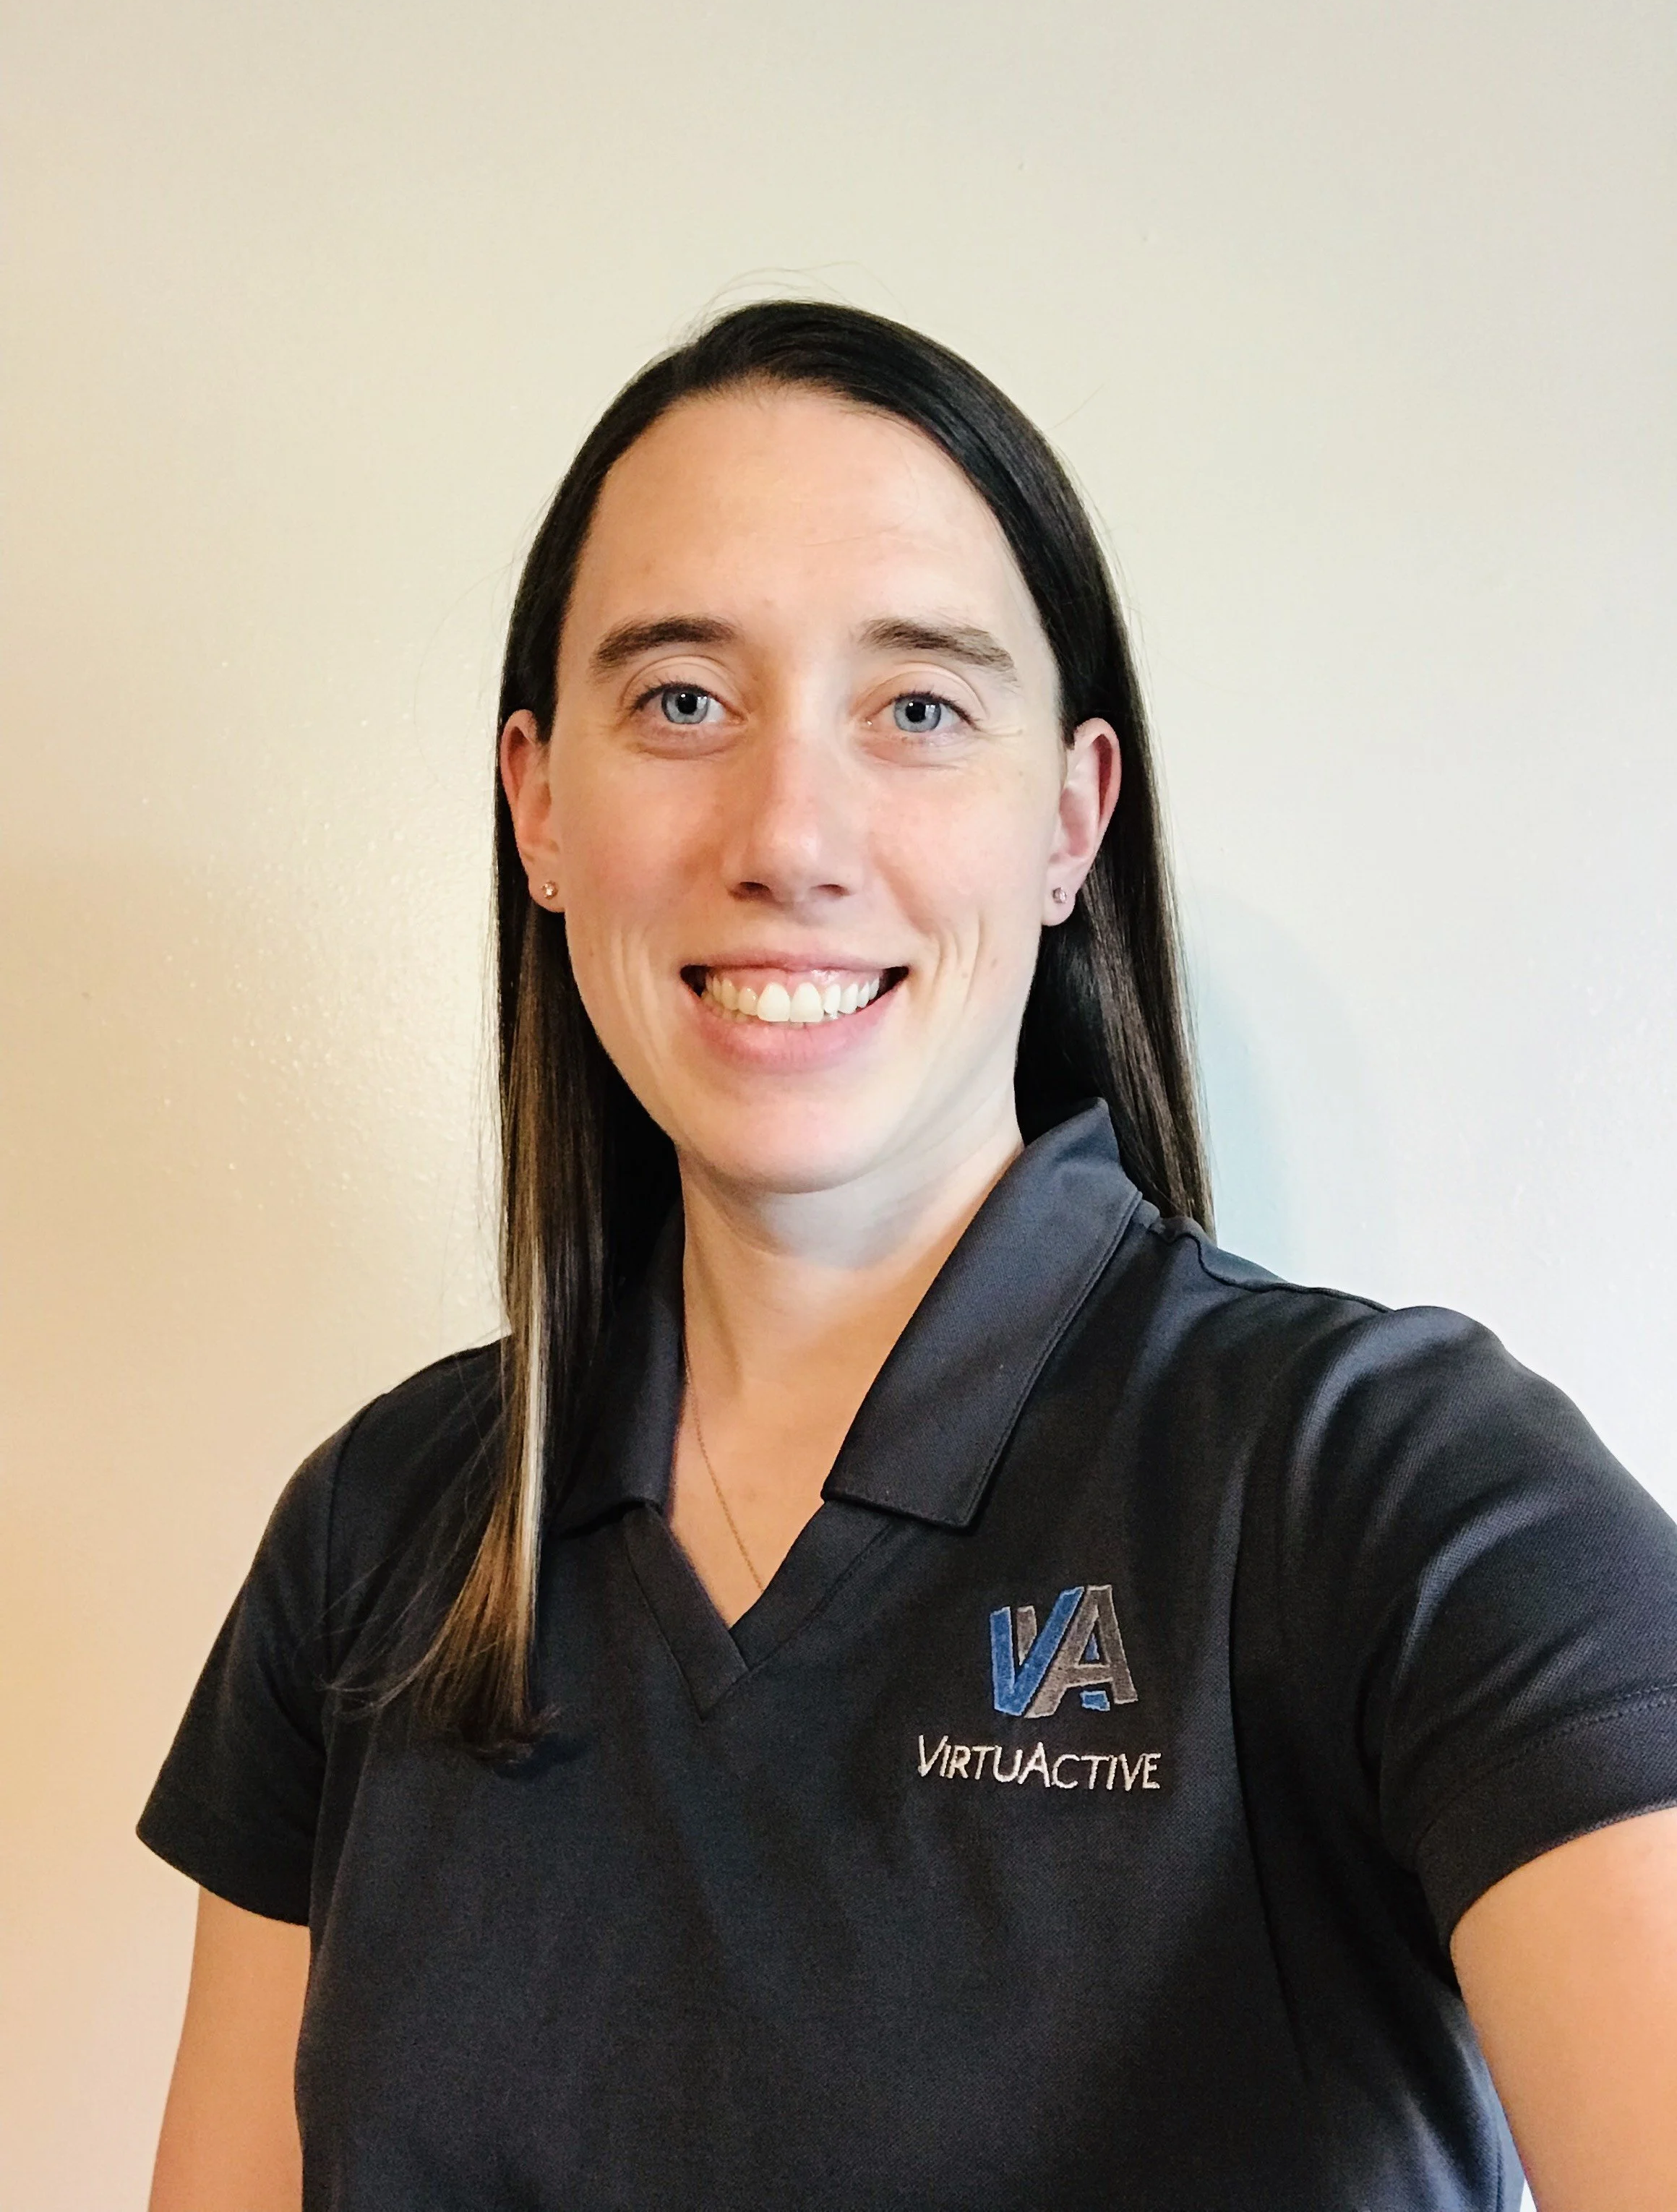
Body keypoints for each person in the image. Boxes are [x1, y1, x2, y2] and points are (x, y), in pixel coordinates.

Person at [141, 301, 1677, 2212]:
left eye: (920, 708)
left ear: (1069, 818)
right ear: (539, 803)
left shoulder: (1393, 1491)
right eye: (682, 699)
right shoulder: (381, 1537)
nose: (790, 833)